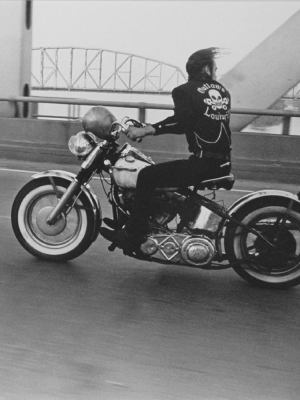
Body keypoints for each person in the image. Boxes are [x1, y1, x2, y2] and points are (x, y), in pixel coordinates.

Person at [100, 47, 232, 250]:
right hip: (222, 161)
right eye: (215, 67)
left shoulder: (185, 91)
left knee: (147, 176)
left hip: (204, 163)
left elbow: (181, 122)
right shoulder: (222, 92)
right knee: (162, 178)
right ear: (206, 68)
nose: (216, 72)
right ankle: (133, 222)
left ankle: (134, 235)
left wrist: (146, 130)